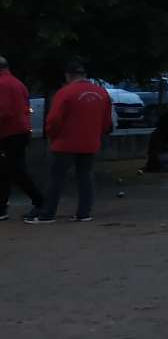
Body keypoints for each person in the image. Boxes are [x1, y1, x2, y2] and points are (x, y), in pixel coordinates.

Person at [26, 62, 110, 224]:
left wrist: (52, 135)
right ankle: (84, 213)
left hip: (65, 142)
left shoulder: (65, 93)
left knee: (56, 178)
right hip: (90, 142)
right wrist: (96, 134)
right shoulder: (101, 93)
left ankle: (47, 213)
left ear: (68, 75)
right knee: (86, 177)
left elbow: (54, 119)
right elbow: (106, 121)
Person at [0, 55, 46, 220]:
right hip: (19, 130)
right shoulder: (18, 83)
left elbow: (4, 111)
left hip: (9, 132)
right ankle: (2, 207)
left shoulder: (3, 84)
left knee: (14, 170)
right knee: (6, 170)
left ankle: (39, 201)